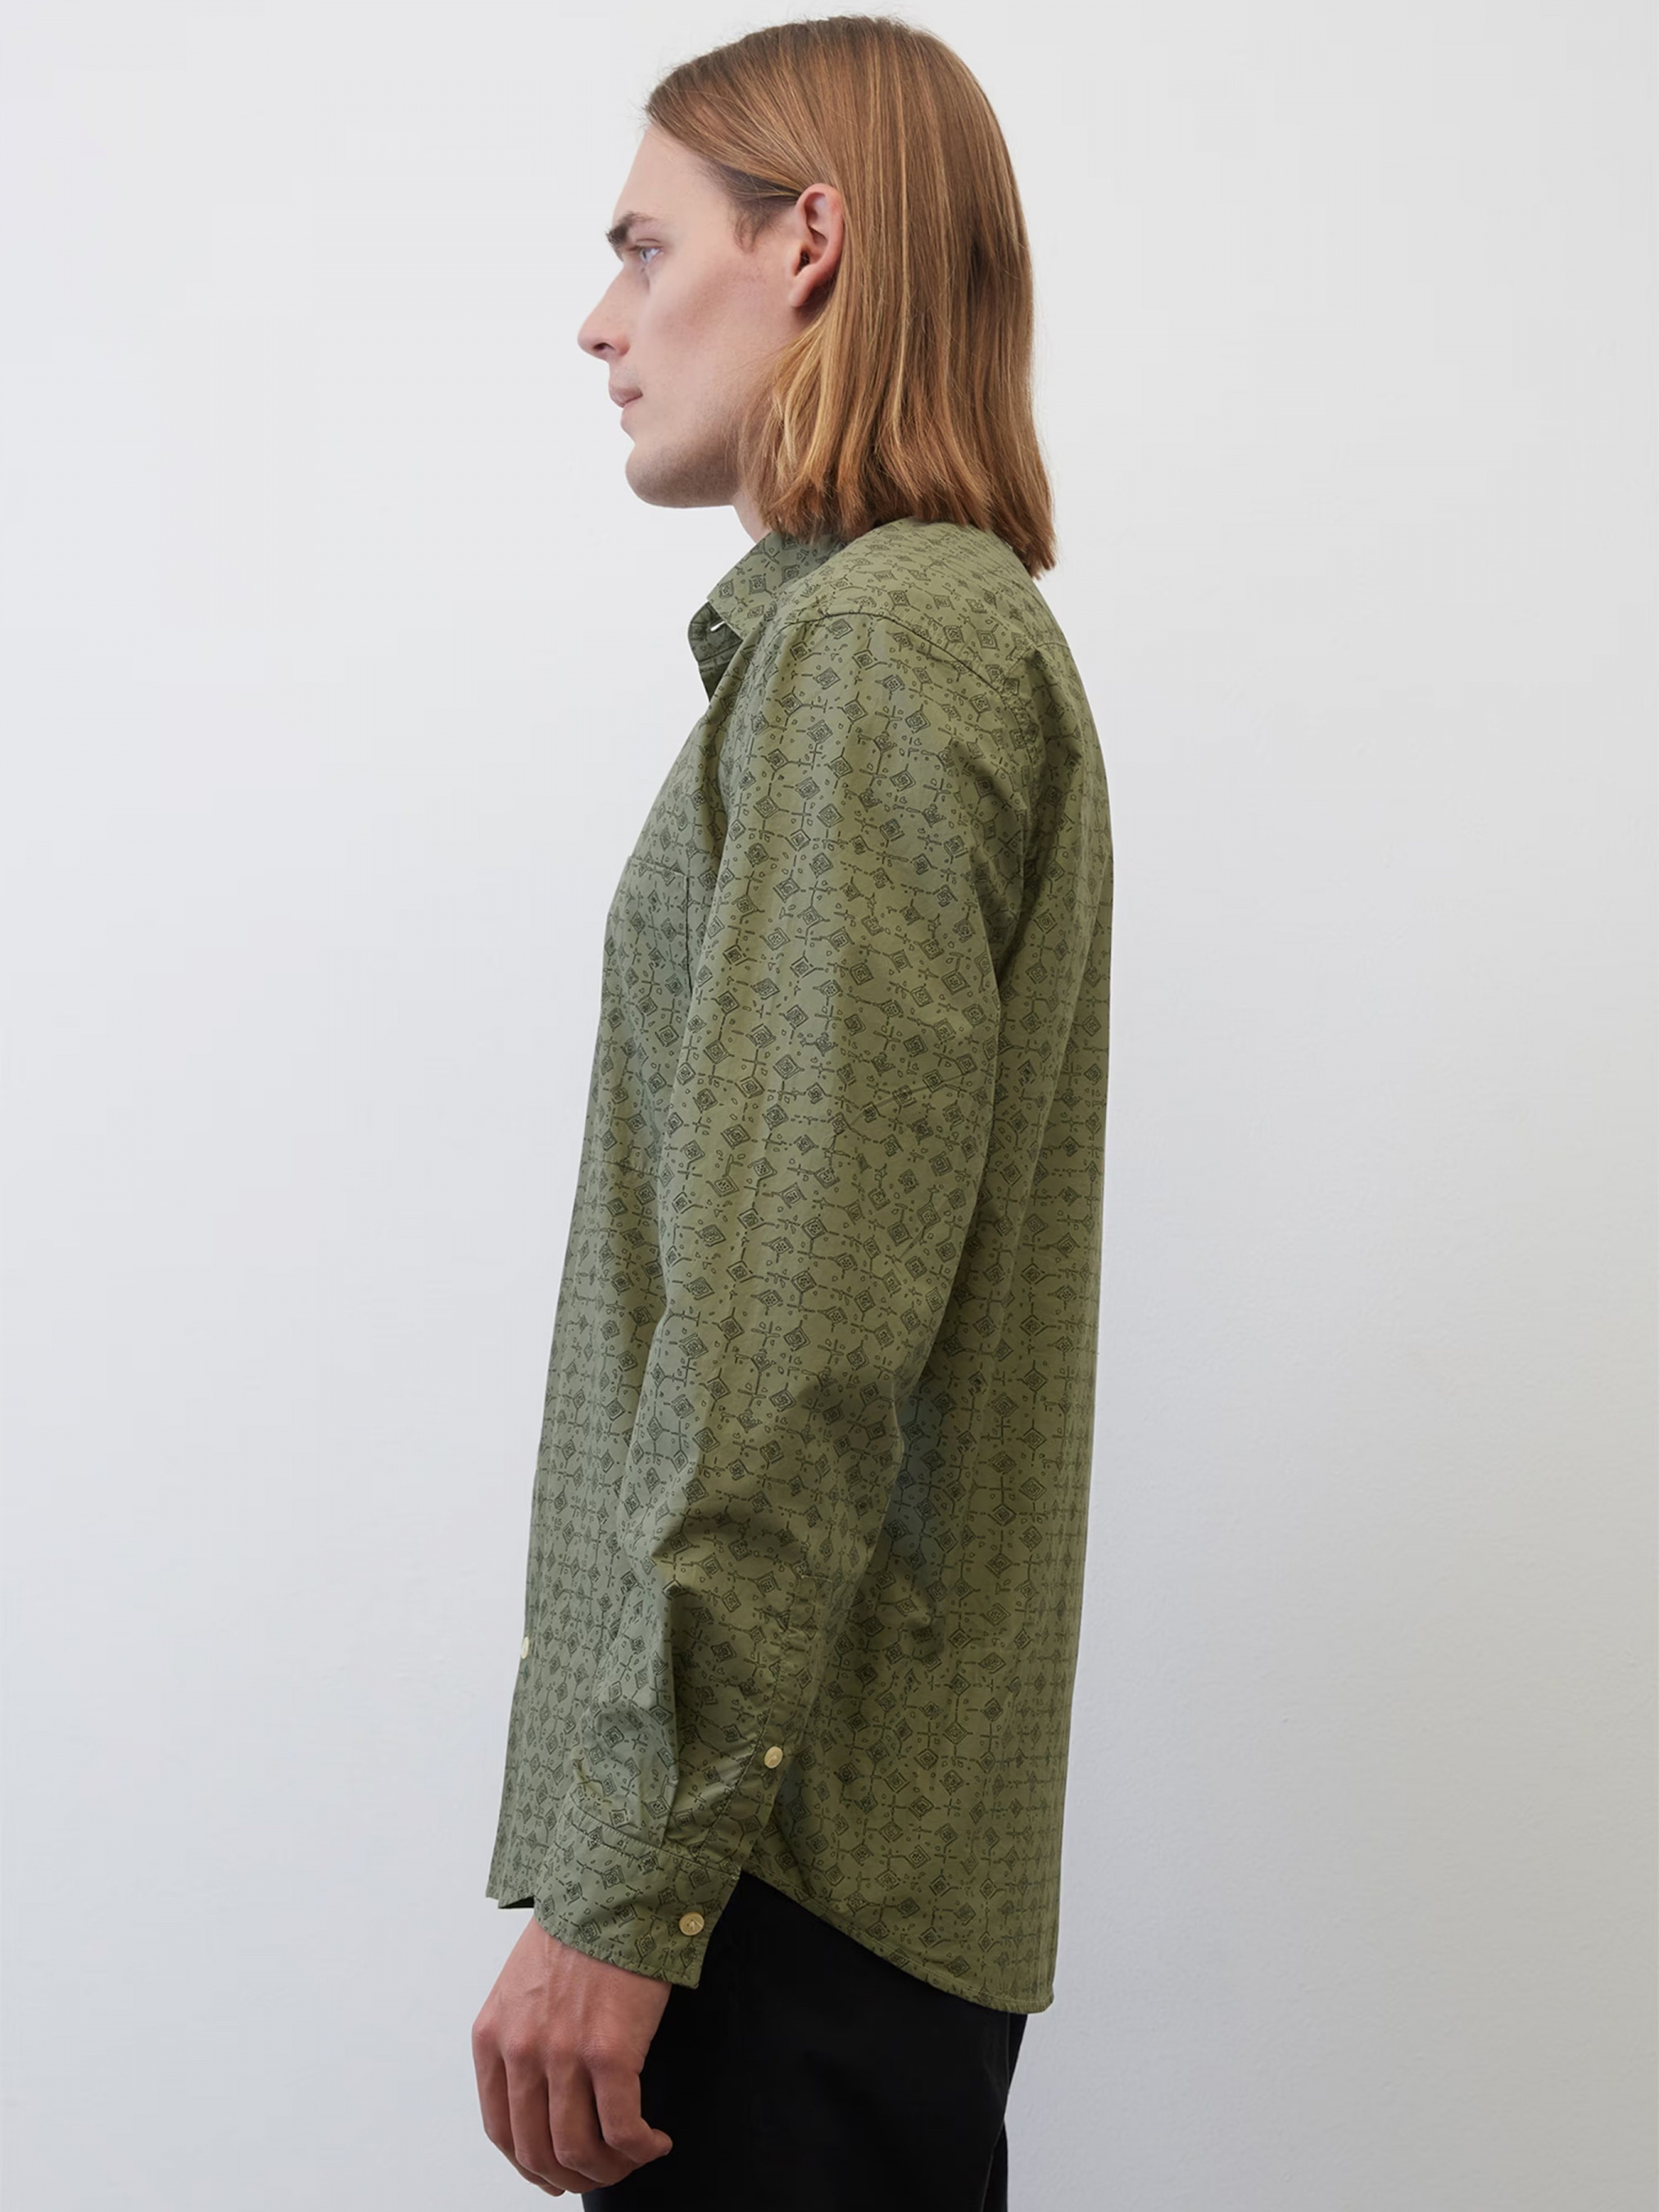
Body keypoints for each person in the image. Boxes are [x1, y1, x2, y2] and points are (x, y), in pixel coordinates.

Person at [470, 17, 1113, 2207]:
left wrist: (626, 1889)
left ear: (809, 241)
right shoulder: (906, 639)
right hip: (802, 1870)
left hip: (779, 1884)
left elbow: (788, 1333)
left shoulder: (886, 648)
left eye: (646, 248)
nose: (601, 319)